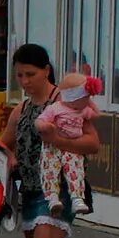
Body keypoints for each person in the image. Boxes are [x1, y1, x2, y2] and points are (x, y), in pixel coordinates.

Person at [2, 43, 99, 238]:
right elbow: (3, 144)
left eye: (30, 74)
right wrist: (10, 155)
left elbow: (92, 143)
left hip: (61, 193)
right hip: (30, 192)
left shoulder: (66, 102)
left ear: (46, 70)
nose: (25, 81)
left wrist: (57, 140)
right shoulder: (22, 110)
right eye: (19, 76)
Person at [35, 72, 102, 217]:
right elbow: (40, 121)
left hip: (71, 147)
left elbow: (97, 114)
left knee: (75, 169)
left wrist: (89, 102)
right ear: (74, 98)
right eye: (85, 97)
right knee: (49, 168)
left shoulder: (83, 110)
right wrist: (45, 127)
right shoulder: (55, 108)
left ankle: (77, 197)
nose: (88, 100)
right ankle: (52, 197)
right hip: (51, 147)